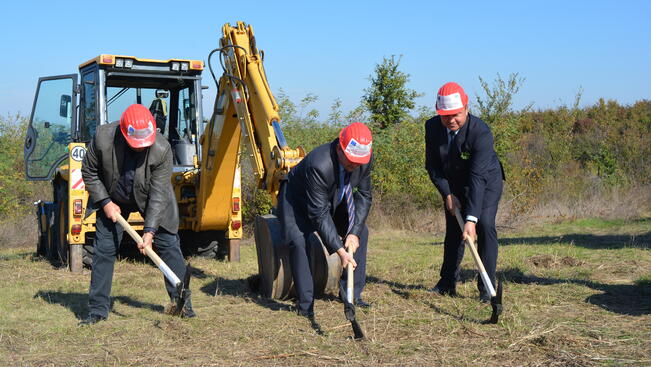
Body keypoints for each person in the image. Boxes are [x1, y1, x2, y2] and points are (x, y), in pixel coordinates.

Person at [80, 104, 194, 325]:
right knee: (104, 250)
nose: (141, 148)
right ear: (124, 132)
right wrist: (104, 202)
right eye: (136, 145)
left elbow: (159, 193)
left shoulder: (162, 148)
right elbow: (89, 171)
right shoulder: (103, 138)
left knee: (169, 244)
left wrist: (149, 231)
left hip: (150, 197)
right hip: (112, 197)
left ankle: (182, 304)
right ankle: (97, 311)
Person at [278, 122, 373, 318]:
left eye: (358, 162)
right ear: (340, 148)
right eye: (350, 161)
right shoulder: (319, 164)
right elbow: (319, 214)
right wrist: (340, 251)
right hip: (297, 200)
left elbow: (364, 196)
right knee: (298, 241)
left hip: (333, 197)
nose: (354, 165)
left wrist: (353, 233)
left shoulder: (364, 159)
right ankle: (305, 305)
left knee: (361, 231)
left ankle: (351, 296)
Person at [424, 82, 505, 302]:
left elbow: (477, 178)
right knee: (453, 231)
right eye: (445, 115)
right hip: (453, 185)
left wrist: (471, 219)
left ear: (466, 108)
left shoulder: (481, 132)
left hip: (485, 183)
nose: (451, 120)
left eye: (456, 114)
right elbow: (433, 166)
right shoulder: (431, 127)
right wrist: (447, 194)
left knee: (485, 225)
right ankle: (447, 282)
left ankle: (486, 289)